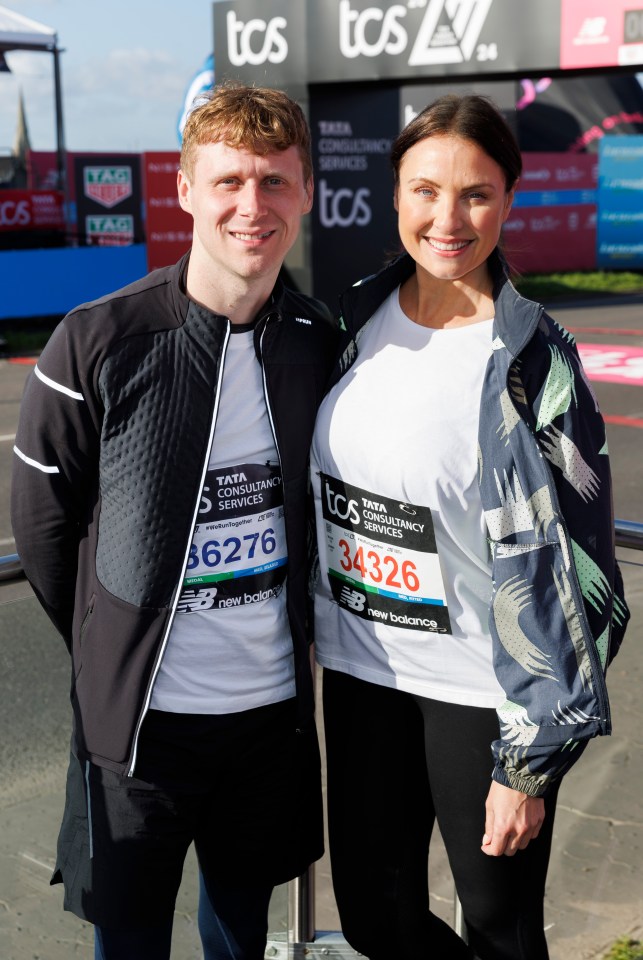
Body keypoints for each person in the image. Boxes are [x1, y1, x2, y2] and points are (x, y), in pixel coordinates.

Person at [11, 82, 338, 960]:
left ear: (305, 192)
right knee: (130, 945)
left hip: (269, 719)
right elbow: (45, 534)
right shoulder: (94, 342)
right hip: (139, 734)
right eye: (228, 180)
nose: (251, 206)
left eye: (274, 182)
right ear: (186, 190)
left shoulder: (317, 339)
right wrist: (112, 636)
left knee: (239, 936)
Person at [311, 94, 629, 960]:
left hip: (479, 696)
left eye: (474, 194)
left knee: (498, 929)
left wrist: (528, 761)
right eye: (424, 191)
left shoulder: (534, 359)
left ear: (509, 200)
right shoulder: (354, 318)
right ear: (395, 196)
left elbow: (588, 577)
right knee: (376, 920)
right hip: (362, 673)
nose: (446, 218)